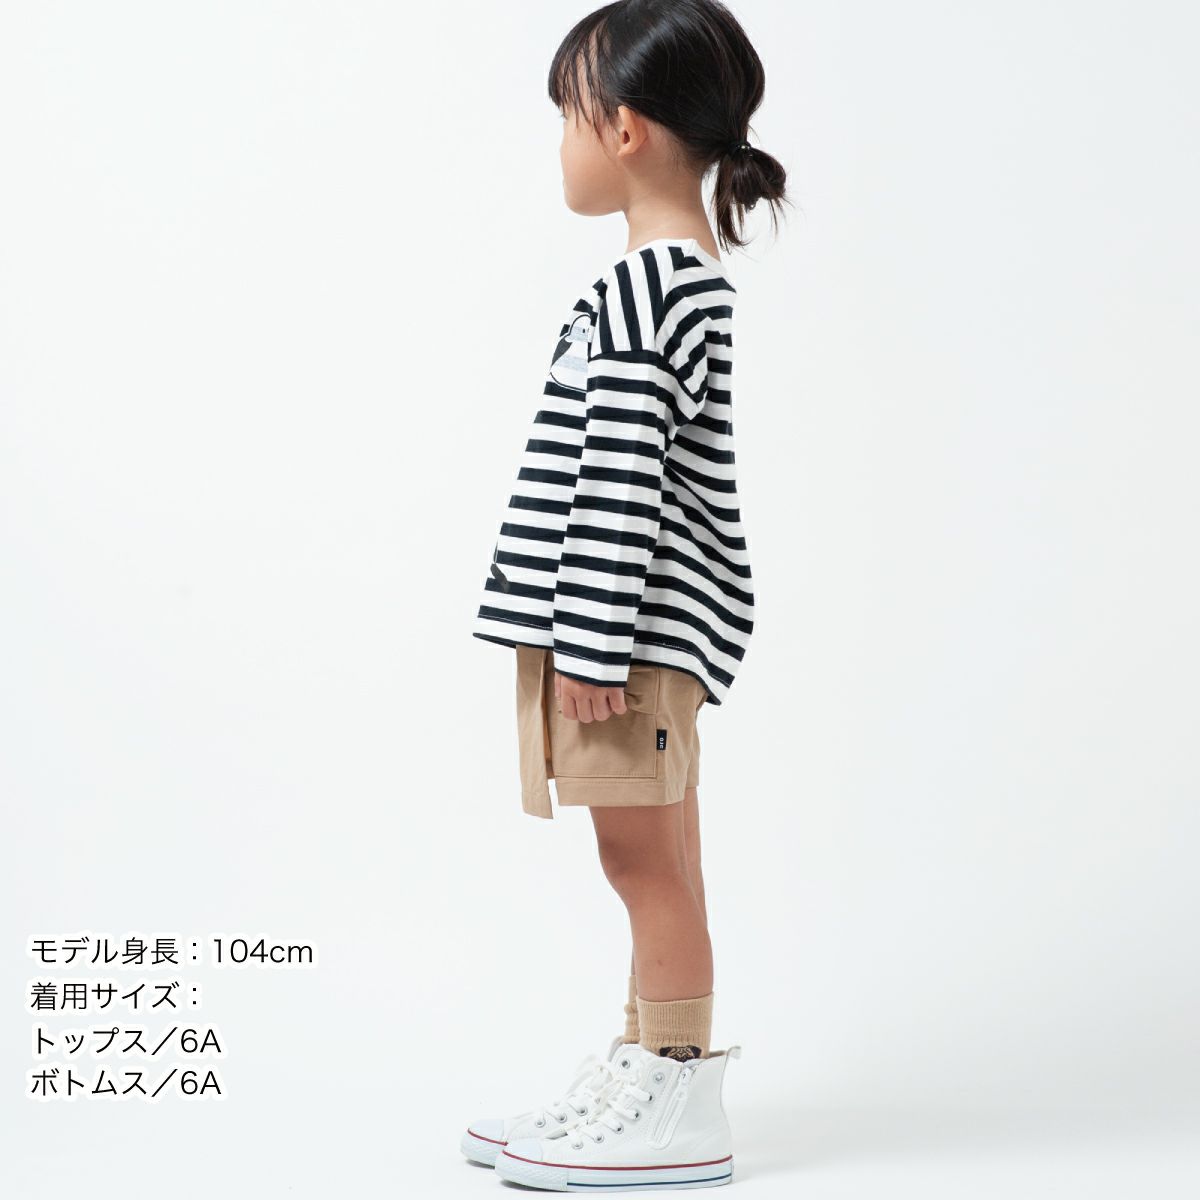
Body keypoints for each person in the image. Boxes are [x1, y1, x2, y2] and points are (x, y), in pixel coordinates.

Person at [464, 0, 787, 1189]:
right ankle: (648, 1066)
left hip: (628, 640)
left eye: (568, 117)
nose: (561, 144)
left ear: (626, 130)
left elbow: (619, 482)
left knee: (643, 865)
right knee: (664, 858)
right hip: (645, 636)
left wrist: (590, 644)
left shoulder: (650, 289)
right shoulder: (674, 281)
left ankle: (676, 1099)